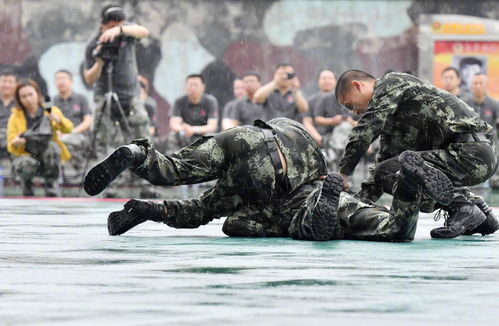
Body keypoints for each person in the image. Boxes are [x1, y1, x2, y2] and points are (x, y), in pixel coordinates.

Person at [84, 117, 348, 241]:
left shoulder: (296, 132)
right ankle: (155, 210)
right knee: (202, 210)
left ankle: (137, 154)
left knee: (176, 168)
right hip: (266, 174)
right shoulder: (315, 177)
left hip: (244, 135)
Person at [335, 70, 498, 239]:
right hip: (472, 156)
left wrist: (344, 173)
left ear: (357, 86)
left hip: (472, 152)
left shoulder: (391, 82)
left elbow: (366, 129)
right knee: (387, 171)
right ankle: (481, 214)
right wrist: (350, 203)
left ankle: (463, 207)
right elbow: (382, 173)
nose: (354, 112)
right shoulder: (395, 120)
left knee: (408, 170)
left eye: (350, 105)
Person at [83, 4, 151, 197]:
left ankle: (147, 185)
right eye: (115, 23)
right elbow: (89, 78)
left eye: (121, 23)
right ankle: (108, 187)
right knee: (106, 142)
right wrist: (100, 62)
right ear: (105, 23)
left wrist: (119, 30)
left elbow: (144, 32)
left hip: (131, 95)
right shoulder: (93, 43)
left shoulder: (126, 32)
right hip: (104, 95)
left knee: (141, 140)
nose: (120, 26)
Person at [7, 79, 73, 196]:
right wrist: (15, 142)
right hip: (27, 155)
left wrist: (59, 120)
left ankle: (51, 185)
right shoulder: (15, 117)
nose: (28, 99)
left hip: (47, 157)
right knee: (24, 163)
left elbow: (68, 128)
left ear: (37, 94)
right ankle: (27, 185)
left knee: (53, 148)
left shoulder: (50, 111)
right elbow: (10, 145)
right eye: (23, 96)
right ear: (19, 99)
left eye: (30, 94)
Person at [167, 74, 218, 153]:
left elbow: (212, 126)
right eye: (190, 85)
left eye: (196, 85)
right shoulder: (179, 101)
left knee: (210, 135)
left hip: (202, 133)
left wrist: (194, 129)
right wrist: (183, 129)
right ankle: (174, 159)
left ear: (203, 87)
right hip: (185, 133)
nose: (193, 88)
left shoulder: (210, 101)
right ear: (186, 87)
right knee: (173, 134)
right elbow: (174, 124)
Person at [53, 69, 92, 171]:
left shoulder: (81, 98)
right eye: (58, 79)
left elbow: (87, 121)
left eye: (64, 78)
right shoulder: (53, 101)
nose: (61, 81)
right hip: (60, 136)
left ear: (71, 81)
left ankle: (78, 167)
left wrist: (71, 132)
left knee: (62, 142)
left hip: (79, 135)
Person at [465, 73, 499, 190]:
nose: (478, 86)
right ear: (471, 86)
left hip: (490, 145)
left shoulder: (494, 104)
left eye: (481, 83)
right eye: (475, 83)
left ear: (486, 86)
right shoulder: (464, 104)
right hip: (469, 145)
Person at [303, 69, 337, 146]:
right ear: (318, 82)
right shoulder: (311, 101)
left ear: (335, 81)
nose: (327, 81)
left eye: (330, 78)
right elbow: (307, 121)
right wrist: (319, 139)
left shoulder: (343, 99)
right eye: (324, 78)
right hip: (319, 137)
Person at [0, 69, 17, 159]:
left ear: (16, 84)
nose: (7, 85)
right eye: (4, 81)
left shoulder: (21, 102)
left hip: (15, 139)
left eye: (10, 82)